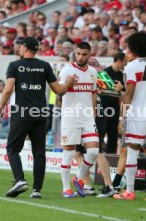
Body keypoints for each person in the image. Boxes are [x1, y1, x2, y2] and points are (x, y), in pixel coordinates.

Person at [0, 37, 77, 198]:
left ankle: (19, 180)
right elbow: (59, 91)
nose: (17, 48)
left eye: (19, 46)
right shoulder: (45, 66)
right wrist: (69, 83)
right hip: (41, 114)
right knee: (39, 153)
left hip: (22, 113)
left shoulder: (14, 66)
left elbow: (7, 90)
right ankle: (37, 190)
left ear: (25, 48)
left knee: (12, 149)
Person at [113, 32, 146, 202]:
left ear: (135, 47)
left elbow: (129, 93)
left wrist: (122, 117)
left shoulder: (132, 66)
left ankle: (130, 191)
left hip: (138, 114)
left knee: (132, 152)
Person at [59, 42, 99, 198]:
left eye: (84, 54)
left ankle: (79, 178)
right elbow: (59, 93)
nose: (80, 57)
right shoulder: (67, 70)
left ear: (90, 55)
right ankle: (65, 189)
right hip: (70, 116)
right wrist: (69, 84)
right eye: (78, 54)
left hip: (87, 117)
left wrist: (94, 112)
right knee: (68, 153)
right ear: (75, 53)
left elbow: (94, 93)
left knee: (94, 152)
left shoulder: (93, 72)